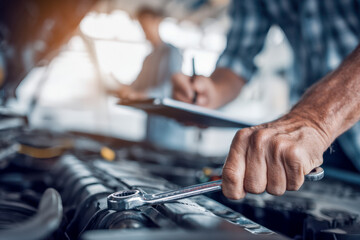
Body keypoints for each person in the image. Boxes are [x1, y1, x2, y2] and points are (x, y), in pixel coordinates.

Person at [172, 0, 360, 199]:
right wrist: (211, 91)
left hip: (319, 129)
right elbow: (238, 57)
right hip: (316, 148)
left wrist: (314, 120)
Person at [117, 7, 185, 150]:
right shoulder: (149, 58)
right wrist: (124, 88)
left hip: (171, 136)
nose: (144, 30)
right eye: (141, 26)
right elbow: (136, 85)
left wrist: (142, 95)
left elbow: (170, 87)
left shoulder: (172, 52)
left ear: (157, 22)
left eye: (146, 24)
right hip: (151, 132)